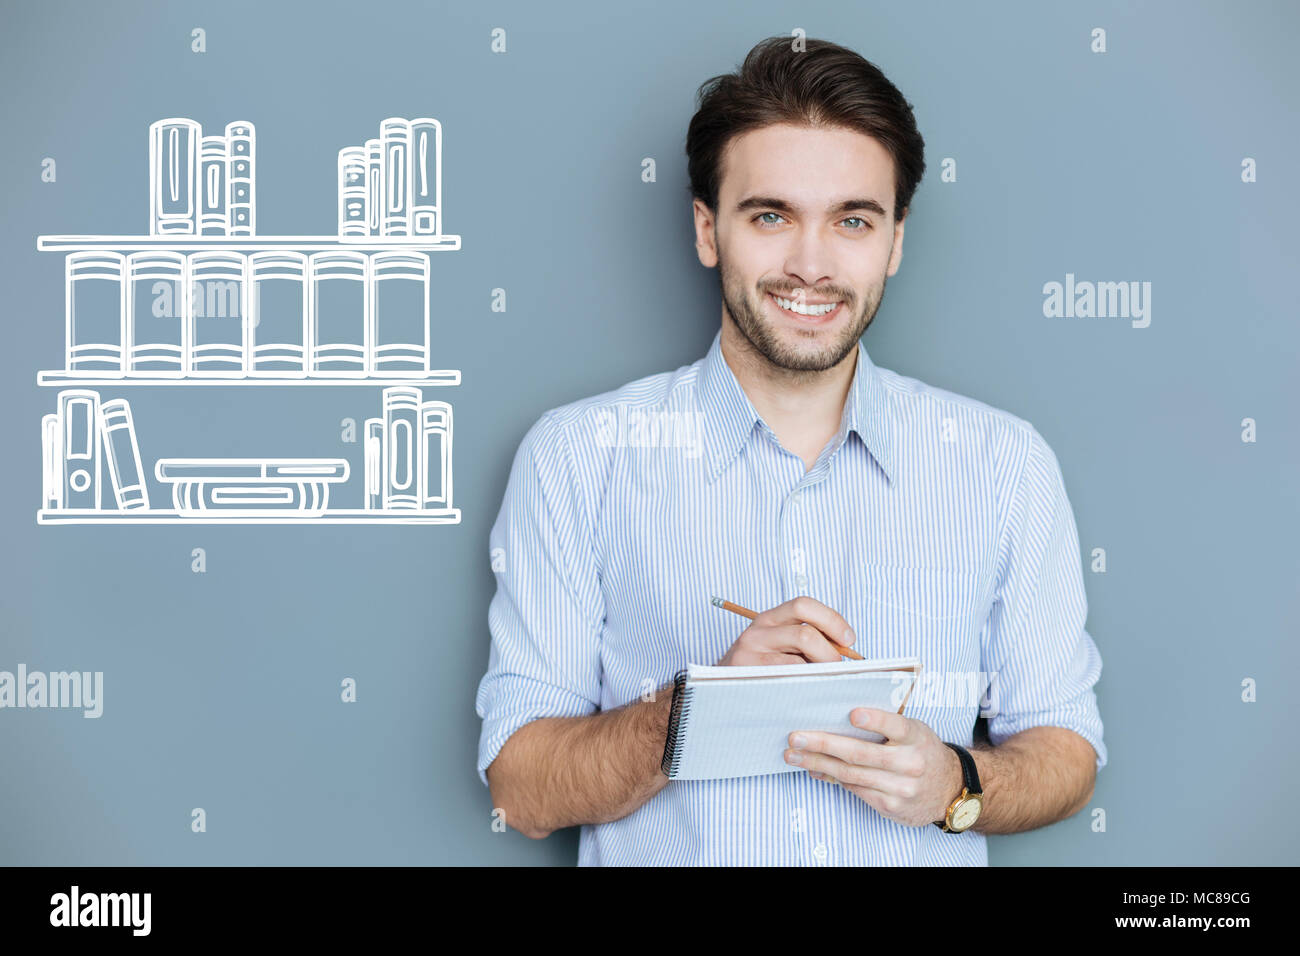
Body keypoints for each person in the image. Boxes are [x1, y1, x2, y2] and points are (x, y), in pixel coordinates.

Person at [475, 35, 1105, 865]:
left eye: (852, 220)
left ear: (896, 241)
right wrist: (704, 705)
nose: (810, 265)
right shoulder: (576, 458)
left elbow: (1067, 752)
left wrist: (956, 786)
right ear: (708, 231)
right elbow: (522, 790)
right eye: (771, 215)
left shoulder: (1002, 464)